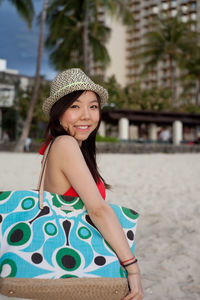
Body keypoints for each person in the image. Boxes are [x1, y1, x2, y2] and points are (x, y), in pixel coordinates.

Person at [40, 68, 143, 300]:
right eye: (75, 106)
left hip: (69, 264)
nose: (86, 115)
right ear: (58, 113)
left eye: (93, 106)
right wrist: (132, 268)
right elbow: (97, 209)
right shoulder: (65, 144)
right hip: (73, 270)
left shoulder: (62, 146)